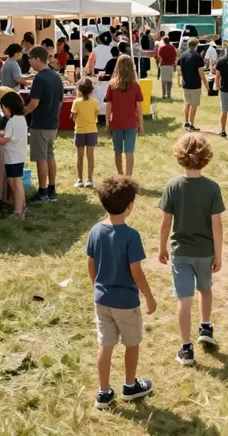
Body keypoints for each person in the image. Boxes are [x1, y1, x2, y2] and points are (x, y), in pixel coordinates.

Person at [86, 175, 156, 409]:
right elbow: (136, 272)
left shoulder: (95, 231)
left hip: (101, 299)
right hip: (126, 302)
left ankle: (103, 393)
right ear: (130, 206)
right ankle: (129, 386)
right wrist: (149, 297)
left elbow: (90, 262)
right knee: (132, 343)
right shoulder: (131, 236)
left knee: (105, 345)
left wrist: (96, 284)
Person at [158, 134, 225, 366]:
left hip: (181, 252)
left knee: (184, 299)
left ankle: (186, 348)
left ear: (180, 157)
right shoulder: (212, 188)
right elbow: (217, 224)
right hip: (205, 252)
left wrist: (161, 247)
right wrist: (219, 253)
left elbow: (166, 222)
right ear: (206, 158)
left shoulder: (173, 186)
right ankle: (205, 326)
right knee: (205, 290)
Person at [25, 46, 64, 203]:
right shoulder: (56, 76)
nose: (29, 63)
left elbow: (34, 103)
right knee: (49, 155)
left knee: (41, 158)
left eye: (30, 59)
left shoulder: (39, 78)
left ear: (37, 59)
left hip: (40, 123)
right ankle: (51, 189)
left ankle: (42, 192)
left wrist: (24, 112)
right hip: (53, 122)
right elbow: (60, 102)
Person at [0, 91, 28, 220]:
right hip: (17, 156)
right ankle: (22, 206)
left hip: (13, 158)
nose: (2, 110)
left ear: (9, 107)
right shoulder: (20, 119)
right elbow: (8, 133)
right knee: (14, 182)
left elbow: (5, 140)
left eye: (3, 108)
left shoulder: (12, 121)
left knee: (16, 184)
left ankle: (18, 212)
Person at [104, 55, 144, 177]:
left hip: (116, 122)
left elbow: (108, 106)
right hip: (131, 122)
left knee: (117, 151)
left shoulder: (112, 85)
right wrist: (141, 124)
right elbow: (139, 107)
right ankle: (128, 176)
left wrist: (107, 123)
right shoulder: (135, 85)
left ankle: (120, 174)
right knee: (129, 151)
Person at [72, 77, 100, 189]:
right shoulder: (95, 102)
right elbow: (96, 114)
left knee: (80, 156)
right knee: (90, 156)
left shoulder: (76, 102)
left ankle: (79, 179)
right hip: (92, 130)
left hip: (79, 131)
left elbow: (73, 117)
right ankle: (89, 179)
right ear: (91, 90)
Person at [177, 38, 206, 131]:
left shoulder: (182, 55)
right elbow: (201, 72)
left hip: (186, 84)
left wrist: (179, 79)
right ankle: (192, 124)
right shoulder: (198, 56)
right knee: (194, 105)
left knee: (187, 103)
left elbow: (179, 69)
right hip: (195, 84)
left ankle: (186, 122)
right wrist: (206, 84)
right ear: (196, 46)